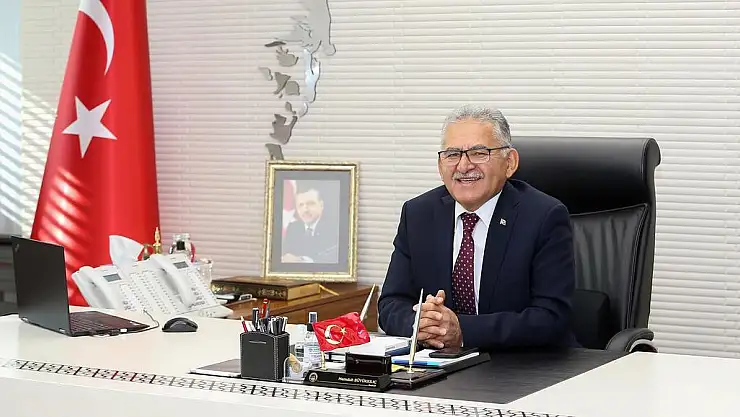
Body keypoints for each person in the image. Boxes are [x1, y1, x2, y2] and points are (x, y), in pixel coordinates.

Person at [377, 104, 577, 350]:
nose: (463, 166)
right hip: (439, 363)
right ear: (440, 165)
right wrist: (423, 324)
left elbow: (551, 318)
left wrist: (463, 330)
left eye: (479, 153)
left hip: (522, 364)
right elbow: (391, 304)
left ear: (510, 162)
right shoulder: (418, 214)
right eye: (452, 154)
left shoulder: (544, 216)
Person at [282, 182, 339, 264]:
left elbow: (332, 259)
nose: (305, 210)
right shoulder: (293, 228)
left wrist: (302, 261)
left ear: (321, 205)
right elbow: (285, 256)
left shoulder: (334, 228)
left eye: (310, 204)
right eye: (301, 205)